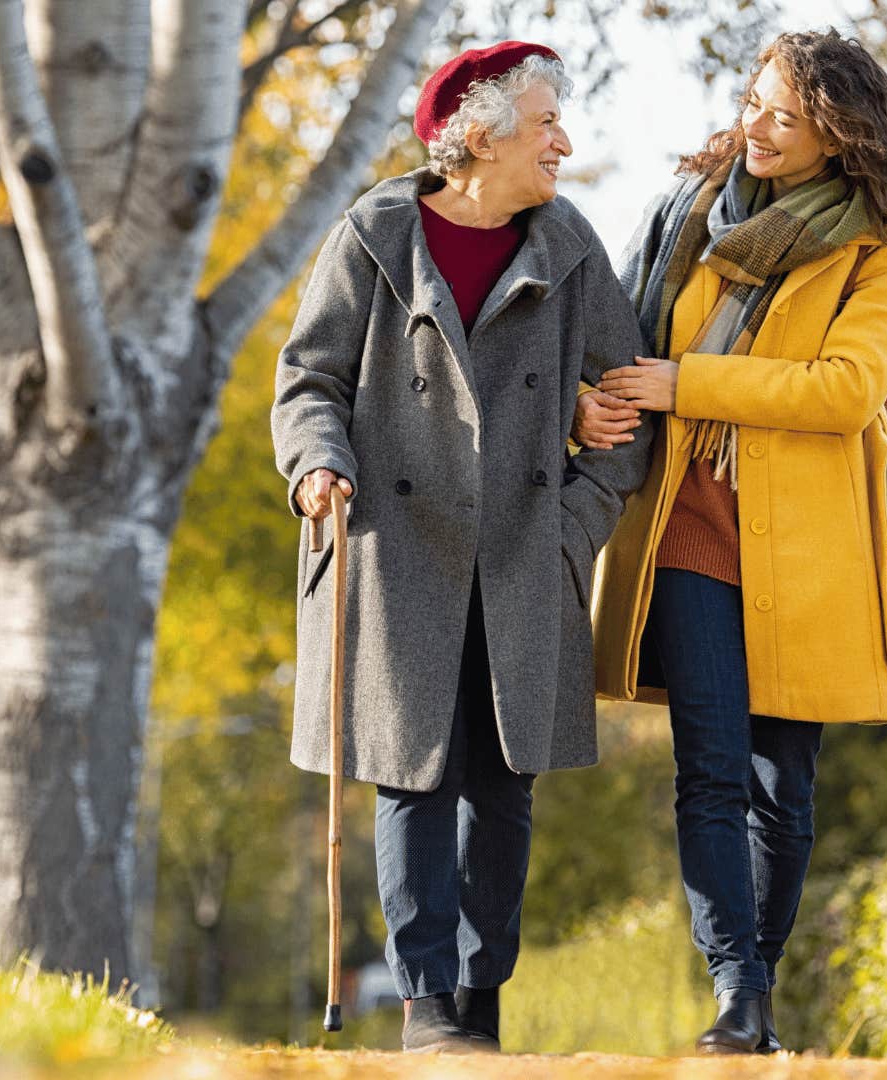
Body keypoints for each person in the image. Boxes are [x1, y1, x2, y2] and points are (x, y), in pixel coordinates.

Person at [574, 28, 887, 1054]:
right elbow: (619, 335)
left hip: (807, 546)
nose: (757, 127)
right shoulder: (692, 211)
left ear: (837, 136)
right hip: (689, 519)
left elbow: (844, 389)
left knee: (785, 785)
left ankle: (760, 989)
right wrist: (590, 401)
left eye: (784, 117)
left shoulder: (883, 243)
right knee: (710, 765)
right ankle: (736, 997)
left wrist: (689, 384)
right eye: (753, 102)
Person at [270, 41, 654, 1054]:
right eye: (545, 126)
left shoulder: (569, 245)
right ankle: (428, 1003)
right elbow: (309, 379)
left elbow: (629, 406)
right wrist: (315, 462)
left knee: (502, 782)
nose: (565, 144)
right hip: (399, 549)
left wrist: (574, 528)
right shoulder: (375, 235)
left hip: (526, 552)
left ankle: (482, 1003)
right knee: (415, 775)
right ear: (477, 139)